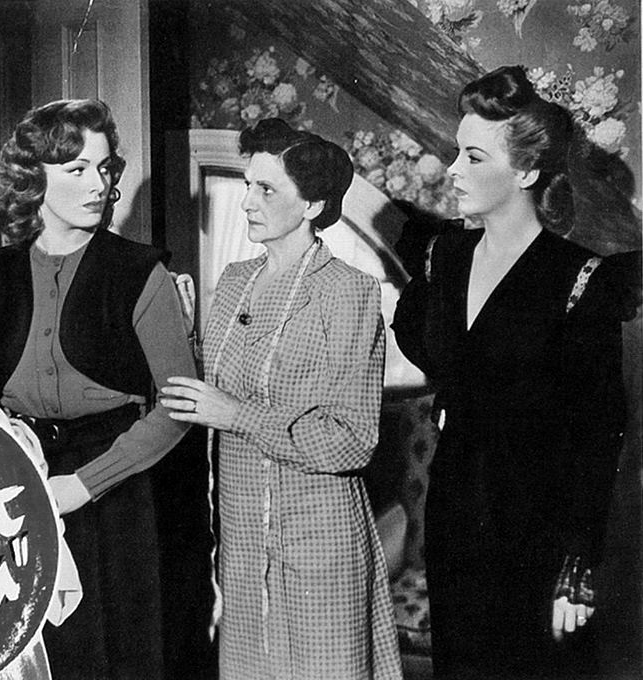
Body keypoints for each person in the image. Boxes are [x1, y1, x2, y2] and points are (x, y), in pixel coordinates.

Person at [392, 65, 627, 679]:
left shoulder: (579, 278)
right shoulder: (444, 258)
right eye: (456, 152)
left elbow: (600, 432)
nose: (453, 169)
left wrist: (577, 567)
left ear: (525, 172)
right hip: (454, 510)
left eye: (473, 157)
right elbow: (417, 337)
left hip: (538, 525)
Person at [0, 99, 197, 680]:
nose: (99, 184)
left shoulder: (141, 272)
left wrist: (83, 485)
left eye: (105, 168)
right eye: (77, 170)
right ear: (31, 179)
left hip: (116, 488)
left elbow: (178, 407)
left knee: (114, 659)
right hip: (17, 482)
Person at [161, 118, 402, 680]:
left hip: (318, 542)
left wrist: (235, 415)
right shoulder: (233, 280)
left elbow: (351, 440)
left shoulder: (348, 291)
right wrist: (181, 333)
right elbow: (210, 391)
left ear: (313, 204)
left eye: (266, 189)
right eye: (248, 185)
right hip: (243, 545)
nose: (247, 201)